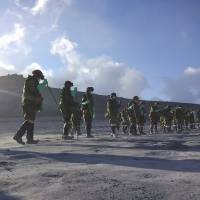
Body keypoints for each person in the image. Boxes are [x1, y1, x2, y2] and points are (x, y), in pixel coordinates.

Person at [13, 70, 45, 144]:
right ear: (37, 76)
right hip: (29, 103)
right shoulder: (31, 81)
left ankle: (30, 139)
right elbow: (33, 93)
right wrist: (39, 98)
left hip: (31, 103)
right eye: (39, 78)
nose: (39, 79)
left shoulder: (33, 81)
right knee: (29, 120)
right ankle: (18, 135)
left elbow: (35, 93)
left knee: (31, 121)